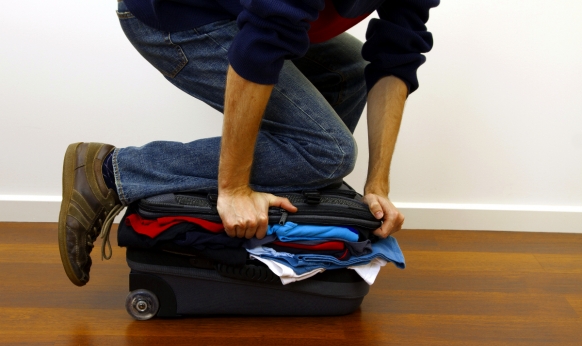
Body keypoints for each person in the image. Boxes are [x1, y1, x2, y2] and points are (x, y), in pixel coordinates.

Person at [57, 0, 439, 286]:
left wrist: (378, 186)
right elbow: (263, 42)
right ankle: (111, 172)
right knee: (328, 152)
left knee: (349, 71)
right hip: (178, 16)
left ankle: (298, 187)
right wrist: (234, 188)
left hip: (244, 12)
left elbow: (396, 54)